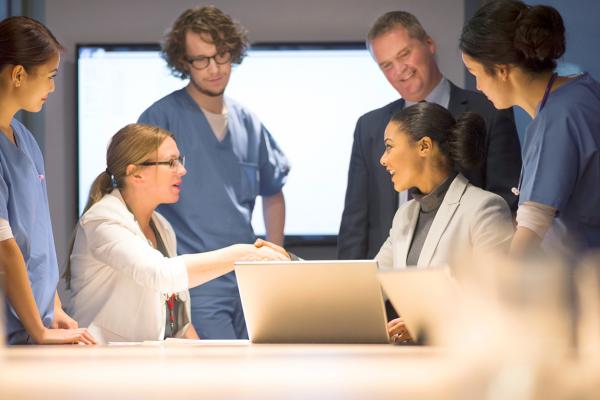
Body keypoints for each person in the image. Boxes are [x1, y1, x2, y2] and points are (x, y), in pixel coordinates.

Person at [138, 6, 289, 340]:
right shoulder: (161, 119)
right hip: (196, 281)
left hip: (251, 281)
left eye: (221, 56)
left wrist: (275, 261)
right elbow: (137, 202)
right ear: (183, 62)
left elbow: (273, 191)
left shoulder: (248, 122)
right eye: (201, 60)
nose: (214, 68)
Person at [66, 124, 289, 343]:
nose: (182, 170)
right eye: (171, 163)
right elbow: (161, 275)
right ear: (135, 174)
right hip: (101, 362)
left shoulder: (161, 226)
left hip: (142, 362)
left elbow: (178, 322)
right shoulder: (103, 220)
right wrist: (243, 254)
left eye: (179, 161)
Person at [338, 11, 522, 260]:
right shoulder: (369, 126)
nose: (400, 70)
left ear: (429, 44)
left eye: (404, 54)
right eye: (387, 65)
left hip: (463, 268)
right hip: (386, 273)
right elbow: (355, 219)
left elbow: (505, 199)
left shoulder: (489, 110)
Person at [460, 0, 600, 255]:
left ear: (502, 70)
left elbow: (532, 227)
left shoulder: (558, 118)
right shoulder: (583, 90)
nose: (477, 86)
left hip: (582, 279)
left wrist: (496, 284)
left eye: (475, 72)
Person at [375, 102, 514, 342]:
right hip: (413, 362)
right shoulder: (405, 215)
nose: (382, 160)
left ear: (424, 146)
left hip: (464, 361)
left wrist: (427, 322)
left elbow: (497, 296)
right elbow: (368, 279)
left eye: (389, 147)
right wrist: (293, 262)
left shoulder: (484, 208)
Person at [0, 16, 95, 345]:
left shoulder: (24, 139)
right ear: (18, 74)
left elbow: (38, 241)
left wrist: (52, 308)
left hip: (34, 323)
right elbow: (5, 247)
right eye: (50, 76)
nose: (53, 88)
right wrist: (37, 329)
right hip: (9, 328)